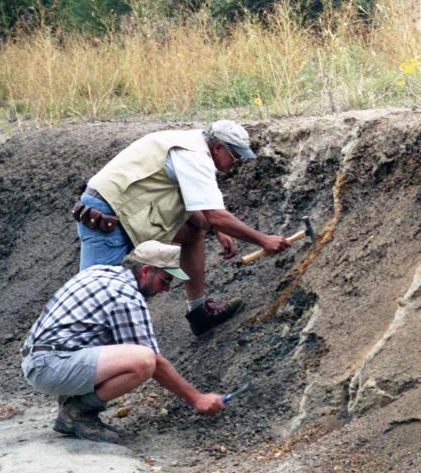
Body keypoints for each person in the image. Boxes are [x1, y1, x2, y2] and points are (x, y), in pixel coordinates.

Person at [72, 119, 291, 336]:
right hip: (107, 215)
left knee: (194, 232)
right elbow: (216, 215)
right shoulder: (195, 157)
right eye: (235, 156)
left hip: (133, 211)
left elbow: (203, 211)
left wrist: (216, 228)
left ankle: (199, 313)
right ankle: (74, 349)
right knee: (94, 297)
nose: (237, 163)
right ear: (217, 148)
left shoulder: (192, 143)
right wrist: (264, 240)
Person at [21, 241, 227, 444]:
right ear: (146, 271)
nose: (165, 289)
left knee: (120, 345)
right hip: (50, 365)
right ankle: (77, 413)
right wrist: (196, 399)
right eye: (165, 281)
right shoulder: (125, 296)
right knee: (143, 361)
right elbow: (153, 360)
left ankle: (71, 403)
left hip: (41, 359)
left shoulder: (101, 272)